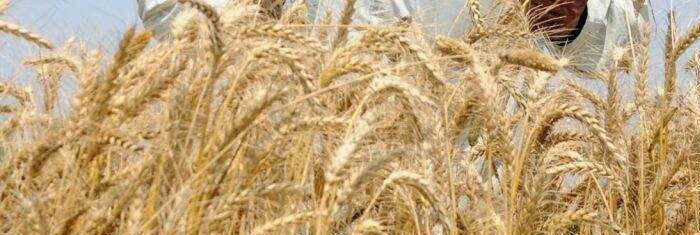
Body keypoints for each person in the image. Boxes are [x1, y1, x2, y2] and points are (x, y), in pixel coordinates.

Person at [137, 0, 648, 72]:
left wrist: (575, 13)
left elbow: (626, 42)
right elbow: (171, 13)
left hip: (474, 230)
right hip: (300, 201)